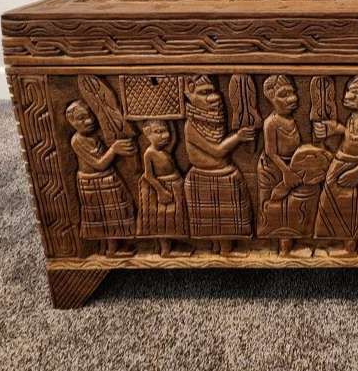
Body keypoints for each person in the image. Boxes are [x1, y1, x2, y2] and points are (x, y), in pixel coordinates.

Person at [314, 76, 358, 255]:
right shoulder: (354, 116)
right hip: (343, 162)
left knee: (354, 206)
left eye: (356, 92)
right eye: (348, 90)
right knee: (331, 199)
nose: (348, 95)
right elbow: (352, 136)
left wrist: (355, 173)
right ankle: (344, 243)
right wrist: (336, 129)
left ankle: (351, 247)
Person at [257, 75, 330, 255]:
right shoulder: (271, 123)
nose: (291, 99)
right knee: (279, 208)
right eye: (284, 95)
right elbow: (270, 152)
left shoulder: (290, 120)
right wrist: (286, 172)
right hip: (276, 168)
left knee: (302, 201)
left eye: (292, 93)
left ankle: (300, 239)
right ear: (271, 98)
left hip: (294, 167)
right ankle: (284, 247)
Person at [183, 75, 255, 254]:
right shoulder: (191, 127)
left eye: (214, 91)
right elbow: (217, 151)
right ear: (190, 94)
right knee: (215, 221)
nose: (214, 97)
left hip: (223, 174)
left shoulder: (213, 121)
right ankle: (222, 250)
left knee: (224, 219)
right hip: (205, 176)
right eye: (204, 93)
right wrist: (238, 137)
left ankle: (222, 249)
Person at [66, 99, 136, 257]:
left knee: (113, 212)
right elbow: (99, 164)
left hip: (105, 179)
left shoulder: (92, 136)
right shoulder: (77, 141)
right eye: (81, 118)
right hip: (94, 181)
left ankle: (107, 247)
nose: (89, 121)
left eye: (90, 115)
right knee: (107, 216)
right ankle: (112, 249)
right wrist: (114, 150)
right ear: (71, 122)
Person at [136, 119, 187, 256]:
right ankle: (165, 249)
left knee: (172, 218)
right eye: (158, 132)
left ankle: (171, 245)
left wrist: (172, 121)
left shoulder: (165, 150)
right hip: (162, 188)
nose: (165, 135)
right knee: (162, 219)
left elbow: (175, 139)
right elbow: (148, 176)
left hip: (173, 185)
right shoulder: (149, 153)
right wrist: (161, 191)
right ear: (147, 134)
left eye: (166, 131)